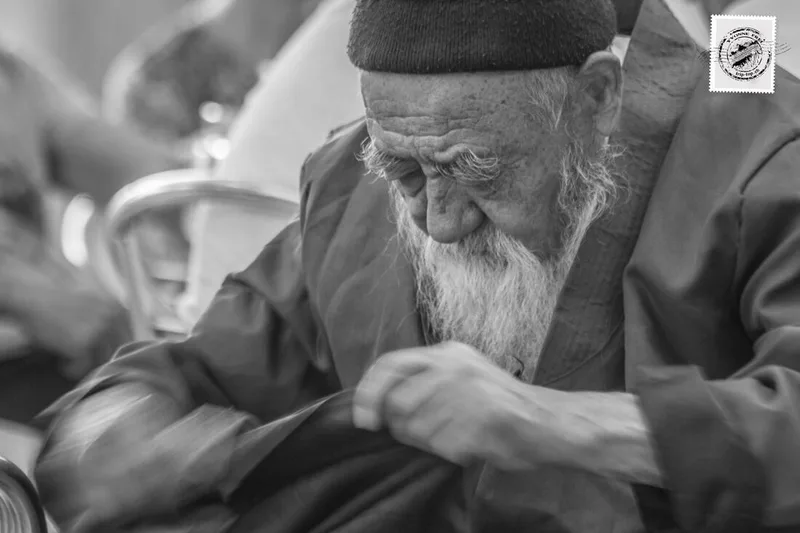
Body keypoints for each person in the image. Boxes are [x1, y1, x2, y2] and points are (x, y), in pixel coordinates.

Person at [33, 0, 800, 532]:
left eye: (478, 172)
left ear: (597, 98)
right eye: (404, 172)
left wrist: (550, 422)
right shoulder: (353, 185)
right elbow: (200, 367)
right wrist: (113, 429)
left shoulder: (757, 156)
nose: (439, 220)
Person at [0, 45, 183, 421]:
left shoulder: (14, 79)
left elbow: (123, 165)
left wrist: (200, 190)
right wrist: (32, 298)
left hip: (45, 358)